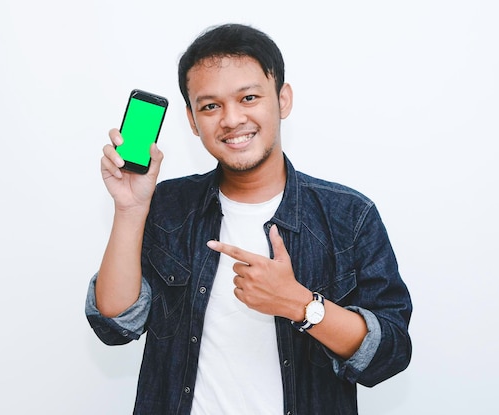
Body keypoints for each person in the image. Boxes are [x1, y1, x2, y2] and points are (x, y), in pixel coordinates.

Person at [86, 23, 412, 415]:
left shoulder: (349, 216)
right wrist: (130, 208)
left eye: (249, 97)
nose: (231, 119)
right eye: (210, 106)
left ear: (283, 99)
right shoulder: (167, 205)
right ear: (191, 120)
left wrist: (302, 306)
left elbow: (389, 354)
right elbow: (115, 325)